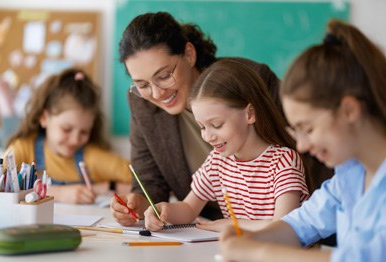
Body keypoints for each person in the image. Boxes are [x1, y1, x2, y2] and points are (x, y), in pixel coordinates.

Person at [110, 11, 333, 225]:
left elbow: (312, 151)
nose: (157, 93)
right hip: (212, 231)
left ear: (189, 54)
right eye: (142, 85)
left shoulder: (248, 82)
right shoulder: (143, 104)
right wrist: (140, 203)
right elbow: (151, 181)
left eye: (164, 76)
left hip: (302, 223)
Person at [219, 20, 386, 262]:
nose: (302, 146)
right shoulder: (351, 173)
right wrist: (252, 239)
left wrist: (259, 252)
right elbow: (301, 224)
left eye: (308, 128)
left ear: (349, 110)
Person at [143, 60, 308, 232]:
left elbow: (282, 227)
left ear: (249, 114)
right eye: (201, 127)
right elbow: (189, 208)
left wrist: (231, 224)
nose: (207, 136)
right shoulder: (218, 161)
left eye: (216, 124)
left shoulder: (283, 161)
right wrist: (163, 210)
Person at [3, 68, 132, 204]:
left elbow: (146, 181)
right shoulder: (23, 148)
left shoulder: (91, 157)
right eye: (66, 129)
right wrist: (58, 193)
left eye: (84, 132)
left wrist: (102, 188)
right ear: (44, 118)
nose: (75, 140)